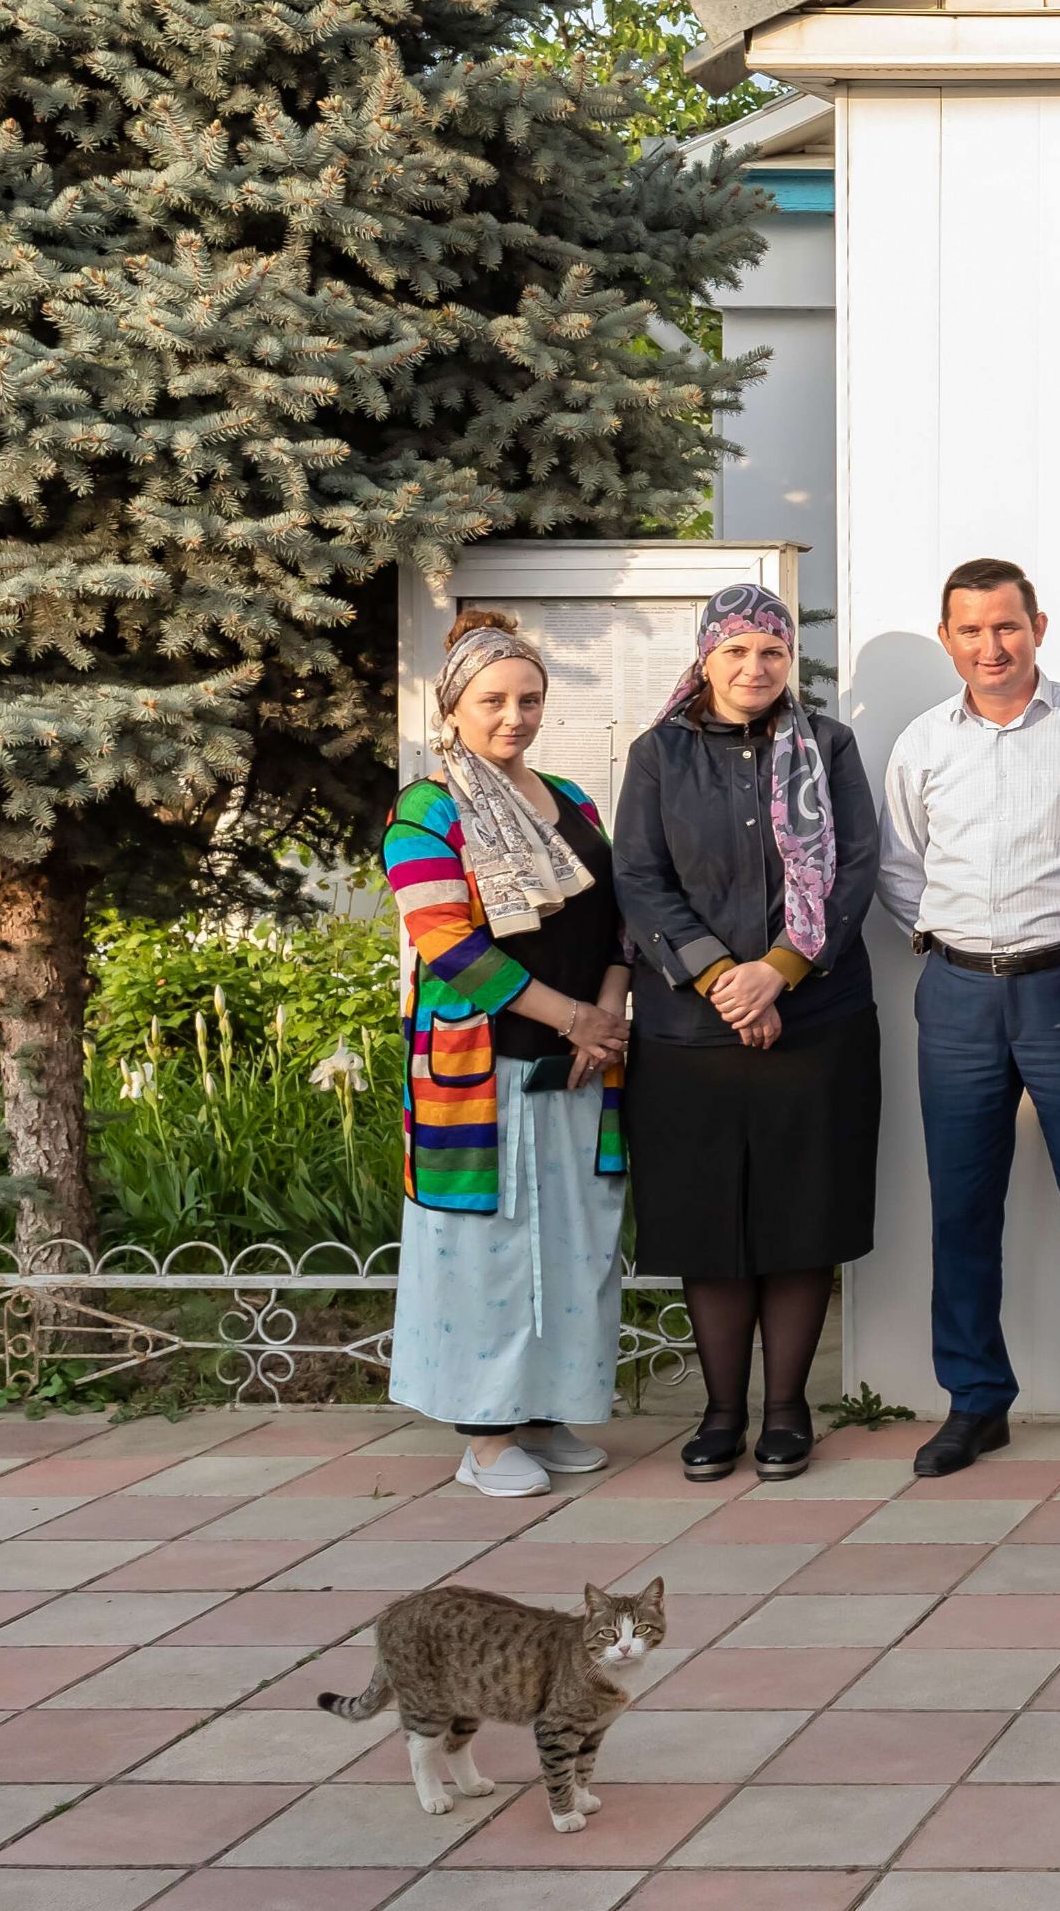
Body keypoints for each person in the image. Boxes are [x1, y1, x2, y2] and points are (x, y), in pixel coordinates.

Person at [880, 555, 1060, 1480]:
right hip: (958, 993)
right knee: (961, 1206)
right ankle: (975, 1401)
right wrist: (954, 939)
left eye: (1006, 626)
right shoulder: (924, 742)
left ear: (1038, 627)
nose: (990, 646)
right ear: (946, 637)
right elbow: (901, 867)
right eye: (970, 630)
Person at [612, 584, 884, 1484]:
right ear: (706, 659)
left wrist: (780, 972)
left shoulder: (828, 747)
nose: (754, 667)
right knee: (708, 1223)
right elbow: (639, 879)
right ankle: (721, 1412)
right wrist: (724, 979)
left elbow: (855, 869)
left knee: (800, 1217)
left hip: (815, 1023)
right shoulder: (659, 754)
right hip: (690, 1033)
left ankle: (787, 1410)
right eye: (735, 651)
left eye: (771, 651)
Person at [384, 613, 634, 1499]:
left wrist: (607, 1015)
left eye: (529, 699)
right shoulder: (427, 809)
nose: (513, 717)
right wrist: (575, 1019)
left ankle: (545, 1410)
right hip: (481, 1065)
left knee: (572, 1244)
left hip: (581, 1059)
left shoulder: (573, 800)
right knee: (486, 1251)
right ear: (452, 707)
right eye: (492, 700)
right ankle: (485, 1437)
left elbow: (620, 918)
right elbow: (448, 944)